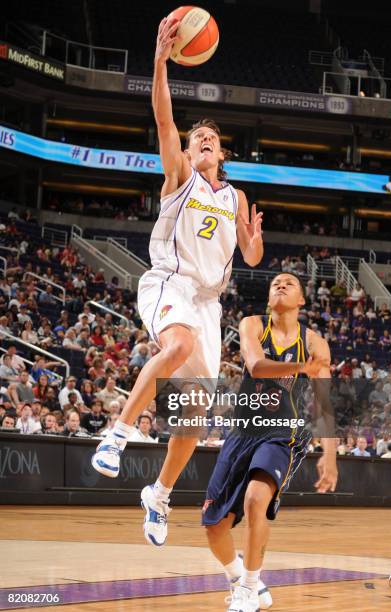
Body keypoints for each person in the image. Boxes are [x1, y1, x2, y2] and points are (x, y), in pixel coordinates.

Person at [91, 14, 263, 547]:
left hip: (210, 305)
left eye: (212, 137)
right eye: (197, 138)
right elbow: (165, 120)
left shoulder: (233, 197)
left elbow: (253, 259)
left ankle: (158, 495)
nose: (204, 139)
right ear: (188, 153)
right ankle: (118, 433)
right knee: (178, 340)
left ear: (223, 153)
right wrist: (161, 61)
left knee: (192, 420)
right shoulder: (181, 177)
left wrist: (253, 238)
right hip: (169, 282)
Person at [203, 273, 337, 611]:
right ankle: (242, 578)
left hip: (283, 432)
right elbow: (256, 365)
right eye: (275, 282)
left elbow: (325, 406)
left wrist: (330, 455)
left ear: (302, 300)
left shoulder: (316, 343)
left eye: (289, 283)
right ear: (268, 296)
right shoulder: (252, 324)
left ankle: (248, 588)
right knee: (214, 526)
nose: (280, 285)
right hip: (242, 432)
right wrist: (300, 366)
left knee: (254, 500)